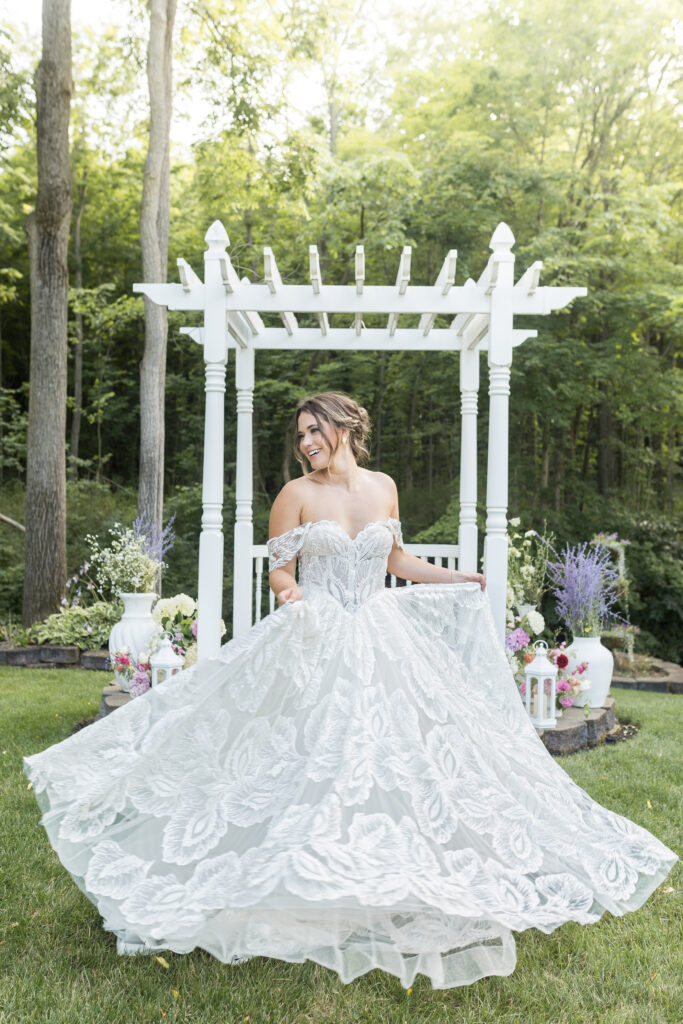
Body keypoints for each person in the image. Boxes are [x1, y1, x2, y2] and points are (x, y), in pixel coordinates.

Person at [23, 392, 677, 992]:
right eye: (300, 433)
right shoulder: (294, 494)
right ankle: (296, 875)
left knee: (396, 759)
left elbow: (395, 563)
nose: (306, 440)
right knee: (301, 757)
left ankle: (378, 874)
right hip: (316, 633)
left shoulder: (384, 487)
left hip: (381, 633)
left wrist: (457, 579)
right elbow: (280, 573)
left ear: (345, 429)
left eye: (316, 429)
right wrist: (294, 598)